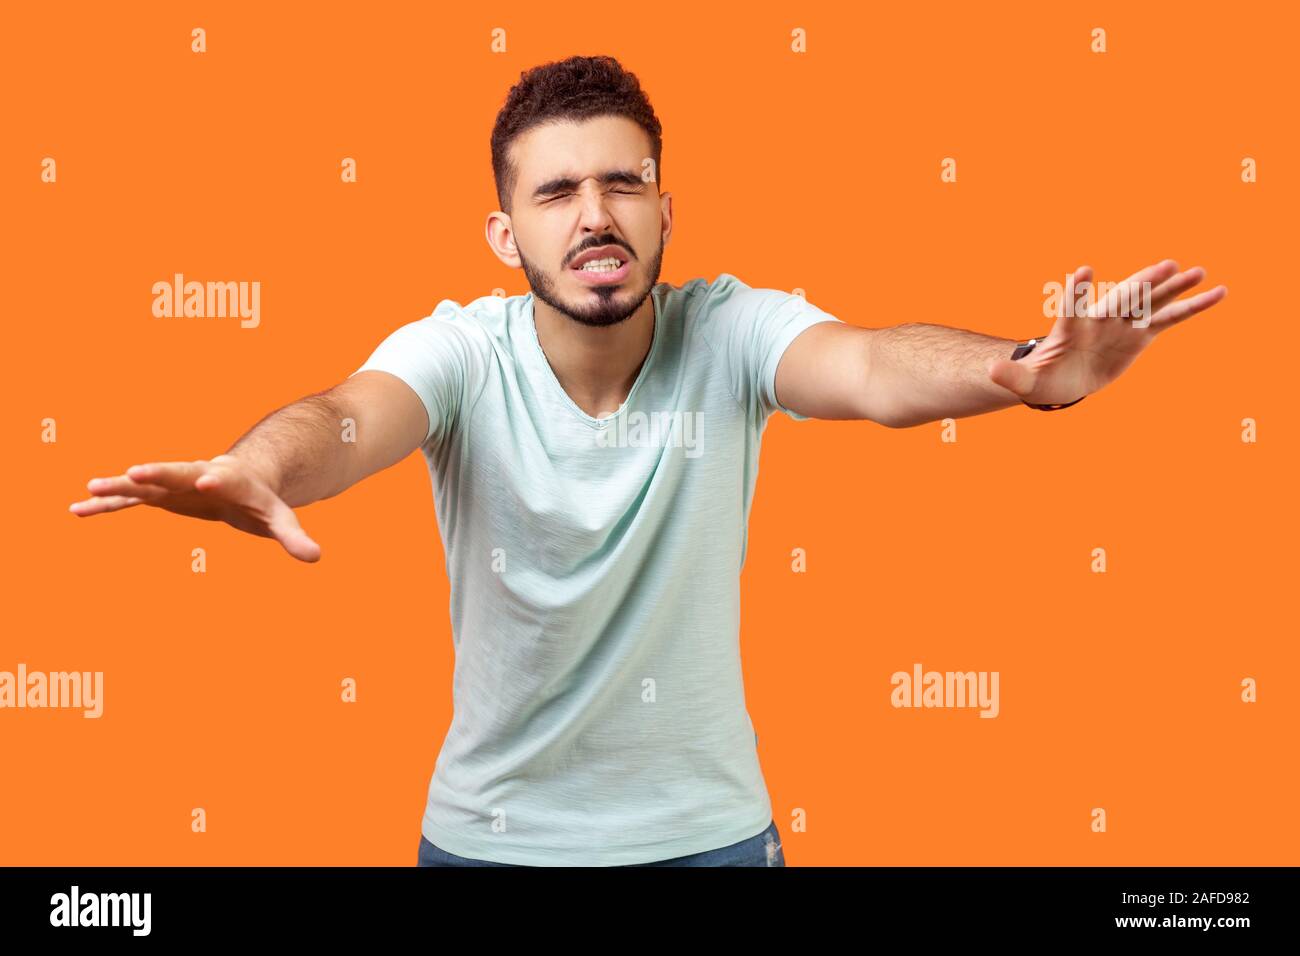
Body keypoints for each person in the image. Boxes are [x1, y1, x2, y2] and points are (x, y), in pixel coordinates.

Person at [68, 55, 1227, 867]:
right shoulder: (460, 351)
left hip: (710, 842)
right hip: (490, 844)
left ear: (666, 210)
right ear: (503, 230)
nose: (593, 215)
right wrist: (261, 463)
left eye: (622, 182)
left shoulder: (731, 330)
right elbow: (348, 416)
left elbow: (872, 366)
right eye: (556, 189)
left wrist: (1020, 368)